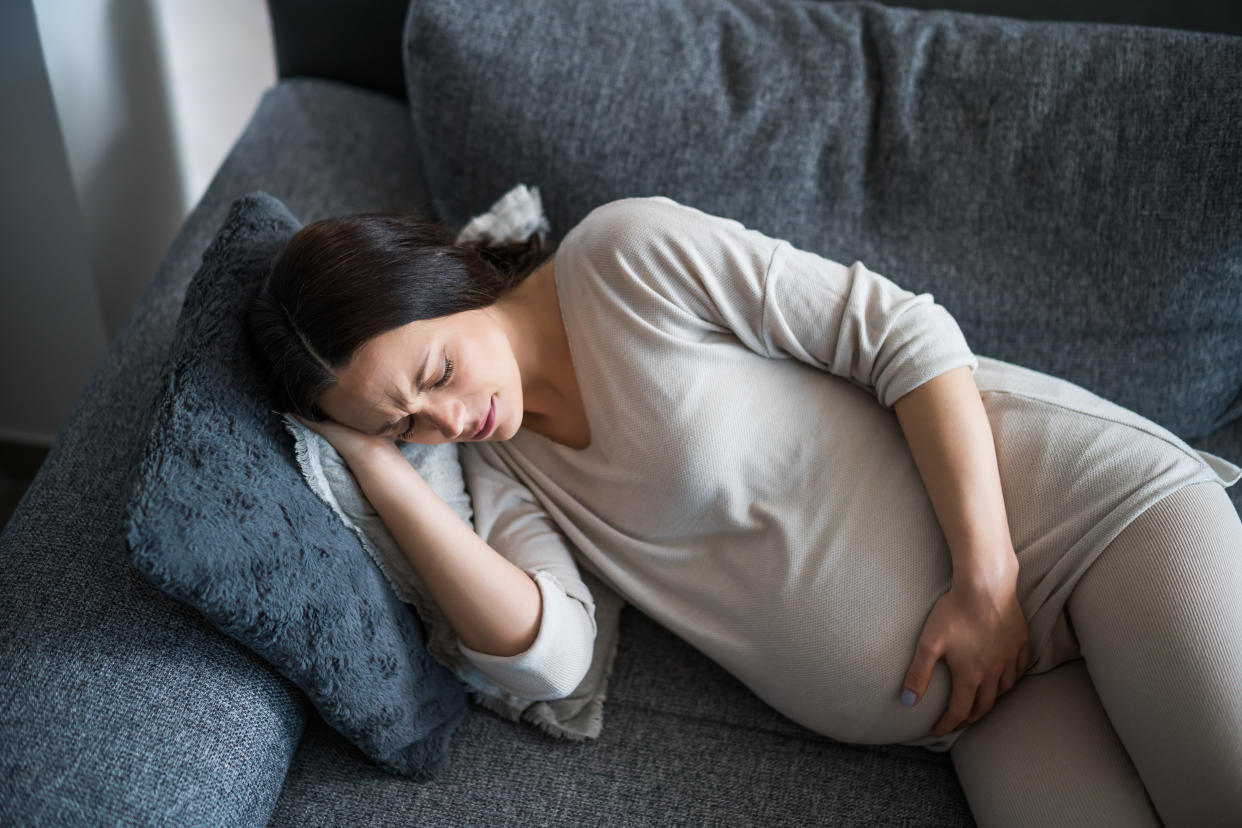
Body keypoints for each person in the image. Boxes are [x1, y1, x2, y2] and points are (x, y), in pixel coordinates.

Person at [246, 195, 1242, 826]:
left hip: (1085, 526)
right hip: (988, 706)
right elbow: (551, 657)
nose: (453, 419)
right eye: (409, 424)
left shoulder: (620, 258)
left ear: (443, 279)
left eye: (436, 371)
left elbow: (904, 334)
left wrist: (986, 583)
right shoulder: (507, 473)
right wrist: (378, 471)